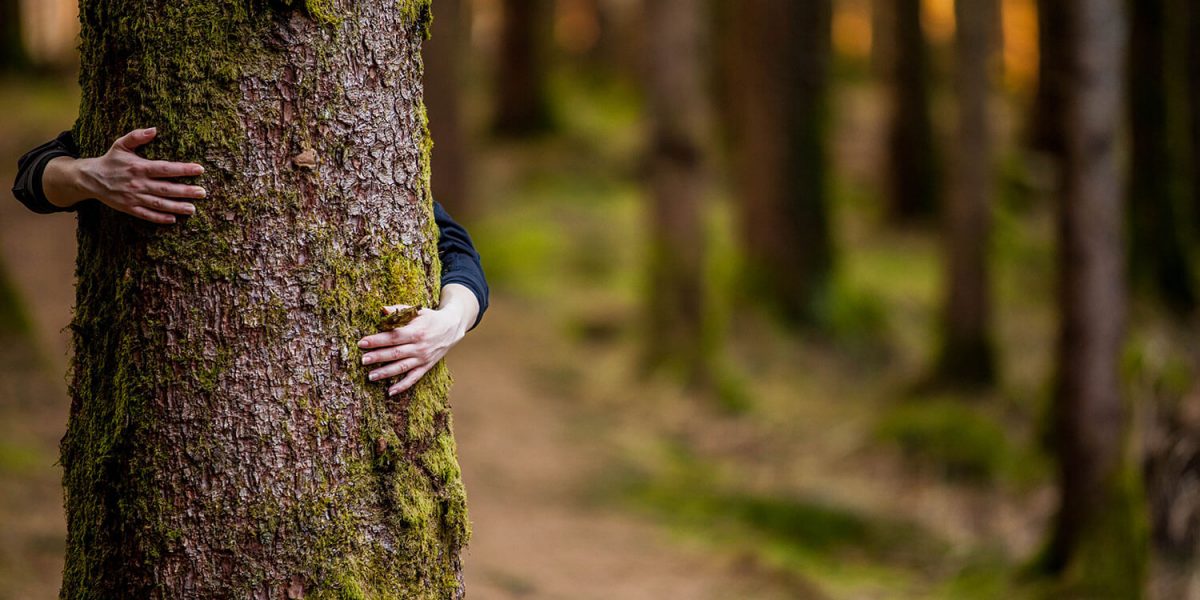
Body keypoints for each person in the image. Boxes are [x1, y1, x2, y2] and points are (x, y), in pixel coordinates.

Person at [12, 127, 487, 396]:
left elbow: (455, 247)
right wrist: (86, 176)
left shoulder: (364, 131)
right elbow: (32, 178)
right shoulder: (165, 88)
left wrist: (452, 322)